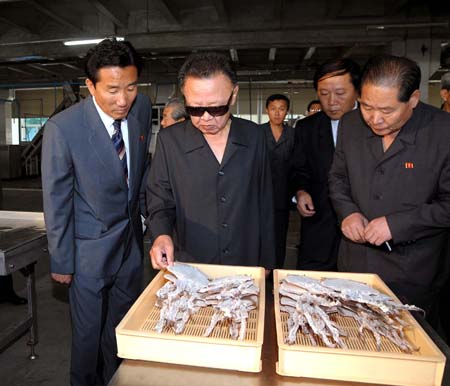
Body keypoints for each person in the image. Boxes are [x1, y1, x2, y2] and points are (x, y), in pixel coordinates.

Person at [41, 38, 152, 386]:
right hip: (87, 250)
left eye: (131, 87)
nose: (123, 100)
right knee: (88, 336)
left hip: (130, 246)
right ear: (90, 86)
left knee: (121, 330)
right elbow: (56, 199)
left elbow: (139, 174)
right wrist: (61, 260)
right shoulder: (65, 128)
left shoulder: (141, 109)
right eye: (112, 90)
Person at [328, 55, 450, 315]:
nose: (374, 119)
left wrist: (396, 225)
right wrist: (347, 212)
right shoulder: (351, 125)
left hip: (412, 272)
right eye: (366, 106)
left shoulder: (442, 133)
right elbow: (338, 178)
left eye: (386, 110)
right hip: (355, 265)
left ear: (414, 99)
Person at [146, 52, 276, 272]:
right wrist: (161, 234)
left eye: (216, 108)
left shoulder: (255, 137)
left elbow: (265, 202)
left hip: (245, 259)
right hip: (191, 261)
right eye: (195, 109)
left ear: (233, 95)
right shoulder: (171, 141)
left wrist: (268, 262)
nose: (205, 118)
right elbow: (160, 200)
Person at [291, 58, 360, 271]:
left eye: (340, 93)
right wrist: (301, 192)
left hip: (363, 230)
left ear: (358, 91)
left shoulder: (373, 126)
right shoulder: (306, 128)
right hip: (319, 225)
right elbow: (298, 168)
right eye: (323, 93)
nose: (331, 102)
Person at [259, 94, 294, 269]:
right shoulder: (258, 133)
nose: (277, 113)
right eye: (273, 109)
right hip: (260, 194)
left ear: (287, 111)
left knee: (280, 235)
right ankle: (260, 269)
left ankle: (276, 270)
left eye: (281, 109)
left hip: (283, 194)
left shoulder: (293, 134)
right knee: (260, 234)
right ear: (267, 110)